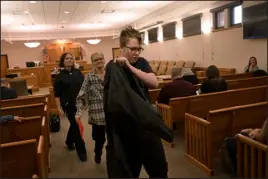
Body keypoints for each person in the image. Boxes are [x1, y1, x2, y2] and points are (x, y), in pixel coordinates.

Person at [104, 26, 168, 178]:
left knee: (159, 170)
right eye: (133, 49)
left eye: (139, 49)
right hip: (127, 130)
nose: (137, 52)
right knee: (129, 172)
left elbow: (154, 83)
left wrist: (129, 67)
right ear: (122, 47)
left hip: (146, 126)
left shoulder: (141, 62)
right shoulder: (111, 67)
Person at [54, 52, 87, 161]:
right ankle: (81, 150)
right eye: (67, 58)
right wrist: (59, 108)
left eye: (71, 58)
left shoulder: (78, 72)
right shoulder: (59, 76)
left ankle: (68, 141)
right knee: (77, 126)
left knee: (74, 124)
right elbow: (57, 95)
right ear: (63, 61)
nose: (69, 60)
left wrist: (85, 100)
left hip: (79, 104)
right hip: (68, 105)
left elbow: (84, 87)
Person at [75, 52, 106, 164]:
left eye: (100, 58)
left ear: (104, 59)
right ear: (92, 63)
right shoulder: (89, 77)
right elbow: (81, 97)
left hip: (112, 115)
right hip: (98, 117)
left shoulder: (111, 74)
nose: (99, 61)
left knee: (115, 141)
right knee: (100, 140)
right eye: (96, 60)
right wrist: (79, 112)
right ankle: (98, 152)